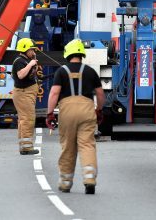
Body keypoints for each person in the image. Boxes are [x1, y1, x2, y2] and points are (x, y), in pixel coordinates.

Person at [46, 39, 105, 194]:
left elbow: (54, 93)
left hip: (67, 111)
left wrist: (49, 113)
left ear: (68, 54)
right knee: (87, 144)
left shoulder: (61, 71)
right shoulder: (90, 71)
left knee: (68, 146)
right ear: (81, 54)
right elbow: (100, 93)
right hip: (86, 110)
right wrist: (99, 109)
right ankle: (90, 178)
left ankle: (65, 182)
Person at [11, 38, 39, 155]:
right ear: (25, 49)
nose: (33, 52)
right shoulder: (19, 61)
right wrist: (31, 64)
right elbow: (21, 75)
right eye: (31, 50)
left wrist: (33, 63)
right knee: (27, 119)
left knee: (24, 120)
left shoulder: (26, 60)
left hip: (26, 93)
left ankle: (24, 146)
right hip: (23, 93)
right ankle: (27, 147)